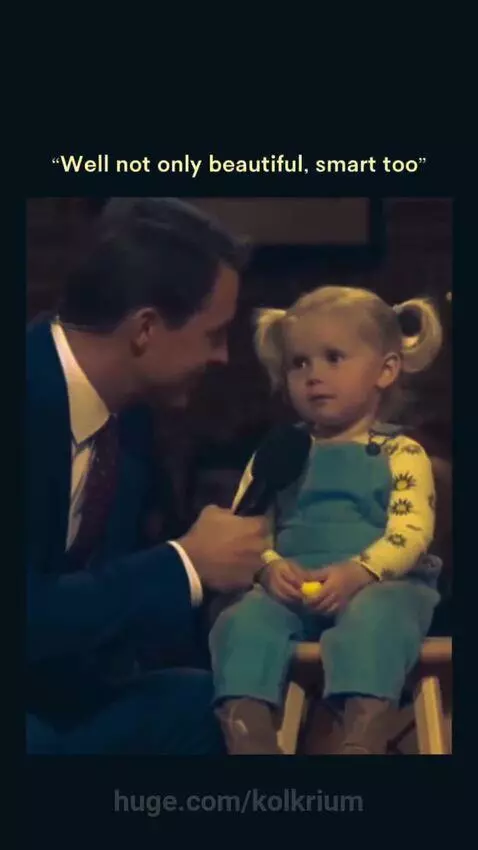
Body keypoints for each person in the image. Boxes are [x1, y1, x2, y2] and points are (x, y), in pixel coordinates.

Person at [26, 197, 270, 755]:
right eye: (215, 334)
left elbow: (112, 606)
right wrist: (184, 563)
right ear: (146, 329)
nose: (224, 358)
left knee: (201, 704)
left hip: (67, 690)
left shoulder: (129, 421)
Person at [209, 285, 444, 755]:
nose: (313, 376)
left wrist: (361, 571)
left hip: (379, 583)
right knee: (241, 621)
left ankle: (361, 732)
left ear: (386, 370)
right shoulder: (280, 450)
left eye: (333, 358)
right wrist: (269, 567)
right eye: (299, 363)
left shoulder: (401, 453)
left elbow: (411, 532)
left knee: (377, 616)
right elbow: (245, 527)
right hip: (292, 589)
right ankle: (247, 730)